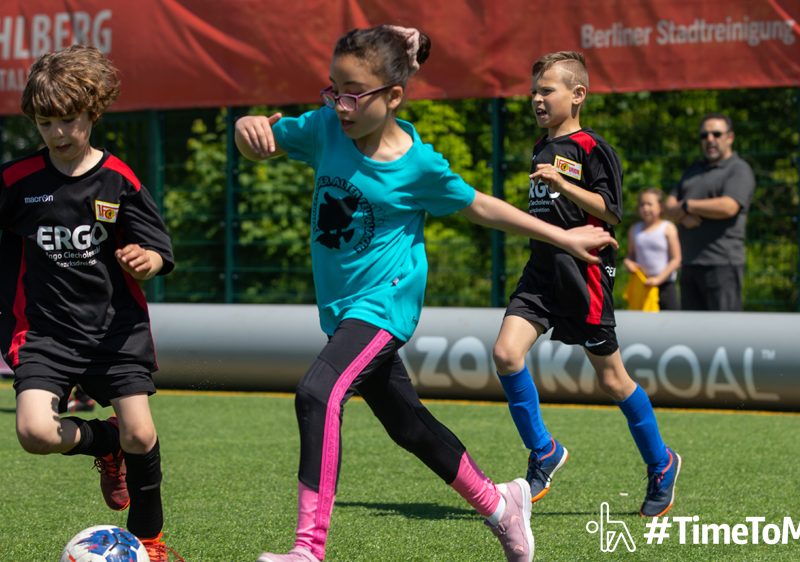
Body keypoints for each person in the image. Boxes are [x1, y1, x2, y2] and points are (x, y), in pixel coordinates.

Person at [235, 26, 616, 562]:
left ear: (393, 96)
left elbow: (482, 206)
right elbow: (264, 143)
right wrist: (246, 128)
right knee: (409, 426)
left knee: (317, 393)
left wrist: (563, 235)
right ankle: (502, 504)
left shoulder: (419, 165)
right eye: (333, 89)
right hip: (342, 311)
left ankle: (307, 550)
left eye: (354, 93)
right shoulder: (325, 128)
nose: (340, 105)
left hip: (382, 308)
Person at [0, 45, 182, 562]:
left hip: (114, 331)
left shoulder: (118, 180)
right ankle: (104, 444)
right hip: (43, 331)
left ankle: (150, 541)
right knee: (34, 432)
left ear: (93, 113)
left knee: (142, 434)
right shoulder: (16, 181)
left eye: (69, 120)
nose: (58, 133)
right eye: (45, 123)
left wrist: (148, 259)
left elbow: (160, 248)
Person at [491, 51, 681, 519]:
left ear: (577, 95)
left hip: (585, 277)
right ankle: (544, 451)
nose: (536, 98)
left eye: (547, 90)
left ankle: (661, 464)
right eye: (533, 90)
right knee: (505, 353)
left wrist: (563, 182)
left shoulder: (593, 148)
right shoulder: (539, 147)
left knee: (613, 379)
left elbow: (611, 211)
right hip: (540, 274)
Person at [665, 113, 755, 311]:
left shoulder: (738, 169)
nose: (710, 140)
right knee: (693, 335)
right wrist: (684, 214)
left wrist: (689, 206)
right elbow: (669, 205)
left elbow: (729, 206)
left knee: (725, 334)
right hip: (689, 264)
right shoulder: (693, 170)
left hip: (722, 265)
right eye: (704, 136)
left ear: (730, 137)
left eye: (716, 134)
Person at [623, 188, 681, 310]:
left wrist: (658, 279)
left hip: (665, 286)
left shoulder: (668, 228)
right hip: (643, 285)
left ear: (660, 206)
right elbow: (631, 255)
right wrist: (628, 262)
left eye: (649, 204)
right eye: (642, 204)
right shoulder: (635, 230)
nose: (645, 208)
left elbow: (676, 259)